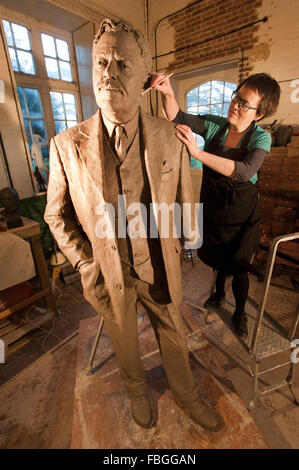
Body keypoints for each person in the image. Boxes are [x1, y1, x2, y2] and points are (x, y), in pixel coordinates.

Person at [44, 18, 220, 431]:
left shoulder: (168, 135)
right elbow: (56, 213)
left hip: (157, 264)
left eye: (123, 64)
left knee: (173, 331)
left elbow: (182, 195)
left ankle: (188, 393)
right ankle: (136, 392)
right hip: (107, 268)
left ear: (144, 76)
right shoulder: (66, 145)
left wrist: (185, 246)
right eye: (102, 63)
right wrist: (85, 261)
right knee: (123, 338)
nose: (109, 74)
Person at [151, 72, 280, 337]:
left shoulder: (261, 138)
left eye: (245, 104)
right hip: (215, 206)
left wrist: (197, 153)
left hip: (241, 214)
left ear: (258, 114)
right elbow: (178, 117)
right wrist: (167, 93)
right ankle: (219, 294)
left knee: (239, 264)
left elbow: (244, 171)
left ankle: (241, 312)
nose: (236, 105)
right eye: (237, 97)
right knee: (219, 258)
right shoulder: (217, 126)